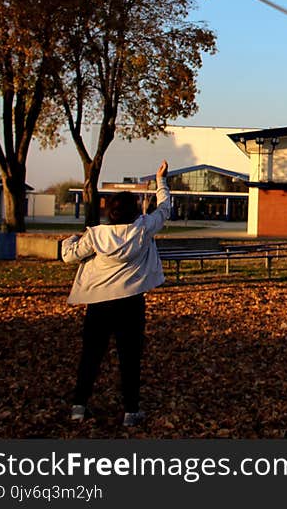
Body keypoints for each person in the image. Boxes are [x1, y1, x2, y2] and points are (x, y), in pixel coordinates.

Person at [60, 160, 170, 428]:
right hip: (131, 302)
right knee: (130, 356)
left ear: (110, 213)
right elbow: (165, 209)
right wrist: (161, 181)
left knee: (91, 354)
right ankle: (131, 411)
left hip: (99, 303)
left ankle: (79, 406)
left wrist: (71, 240)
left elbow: (68, 257)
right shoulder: (143, 229)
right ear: (135, 212)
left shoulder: (96, 236)